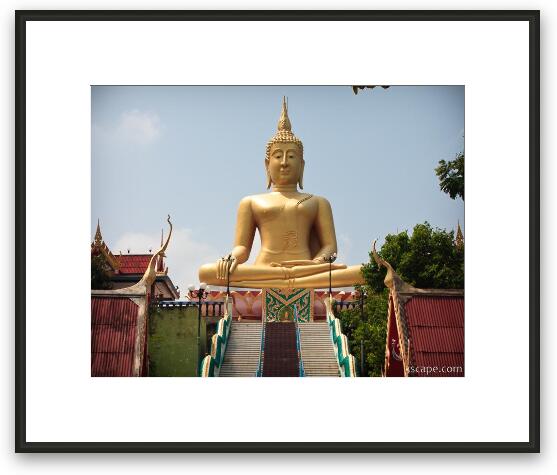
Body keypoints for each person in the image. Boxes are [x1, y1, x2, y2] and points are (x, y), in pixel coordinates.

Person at [198, 97, 364, 289]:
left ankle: (291, 279)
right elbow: (242, 249)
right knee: (207, 271)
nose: (284, 162)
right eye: (278, 156)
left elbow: (330, 248)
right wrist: (229, 259)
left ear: (302, 165)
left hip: (308, 270)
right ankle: (290, 280)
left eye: (291, 156)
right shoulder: (251, 202)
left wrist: (316, 263)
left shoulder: (318, 202)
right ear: (267, 165)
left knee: (361, 272)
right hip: (265, 270)